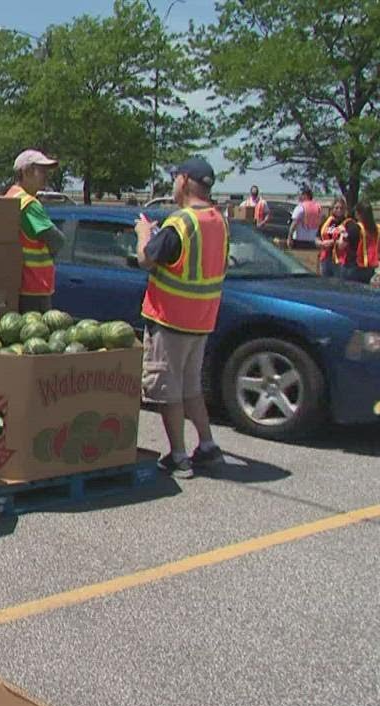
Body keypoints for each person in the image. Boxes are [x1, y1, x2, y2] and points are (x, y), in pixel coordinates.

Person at [134, 157, 229, 480]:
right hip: (201, 320)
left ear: (185, 180)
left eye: (175, 178)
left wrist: (144, 232)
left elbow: (146, 258)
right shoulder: (218, 220)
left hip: (171, 320)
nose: (172, 183)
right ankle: (207, 446)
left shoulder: (182, 222)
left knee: (167, 390)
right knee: (191, 388)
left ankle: (177, 456)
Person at [5, 149, 67, 313]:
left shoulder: (10, 196)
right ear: (25, 172)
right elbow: (57, 240)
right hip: (34, 285)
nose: (46, 175)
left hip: (18, 282)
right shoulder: (29, 203)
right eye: (41, 170)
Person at [335, 201, 378, 283]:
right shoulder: (375, 229)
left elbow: (341, 245)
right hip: (369, 268)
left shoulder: (355, 228)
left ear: (358, 213)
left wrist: (342, 233)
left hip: (353, 266)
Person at [317, 197, 349, 278]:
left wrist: (332, 242)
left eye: (341, 208)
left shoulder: (348, 223)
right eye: (336, 207)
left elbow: (347, 240)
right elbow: (317, 237)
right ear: (332, 208)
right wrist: (321, 243)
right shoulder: (326, 221)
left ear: (345, 209)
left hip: (339, 260)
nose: (339, 210)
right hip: (325, 258)